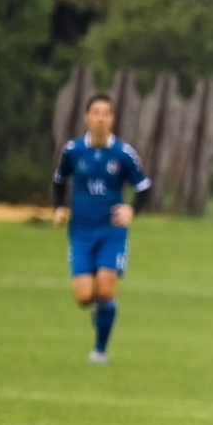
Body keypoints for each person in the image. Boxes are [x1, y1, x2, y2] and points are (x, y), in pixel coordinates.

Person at [52, 94, 152, 364]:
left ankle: (99, 350)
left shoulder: (122, 153)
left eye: (105, 113)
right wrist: (59, 207)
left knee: (106, 290)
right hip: (81, 231)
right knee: (84, 297)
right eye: (95, 113)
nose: (100, 118)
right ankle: (101, 309)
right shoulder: (73, 151)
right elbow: (59, 180)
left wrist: (132, 209)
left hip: (111, 231)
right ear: (86, 117)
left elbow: (144, 187)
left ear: (112, 119)